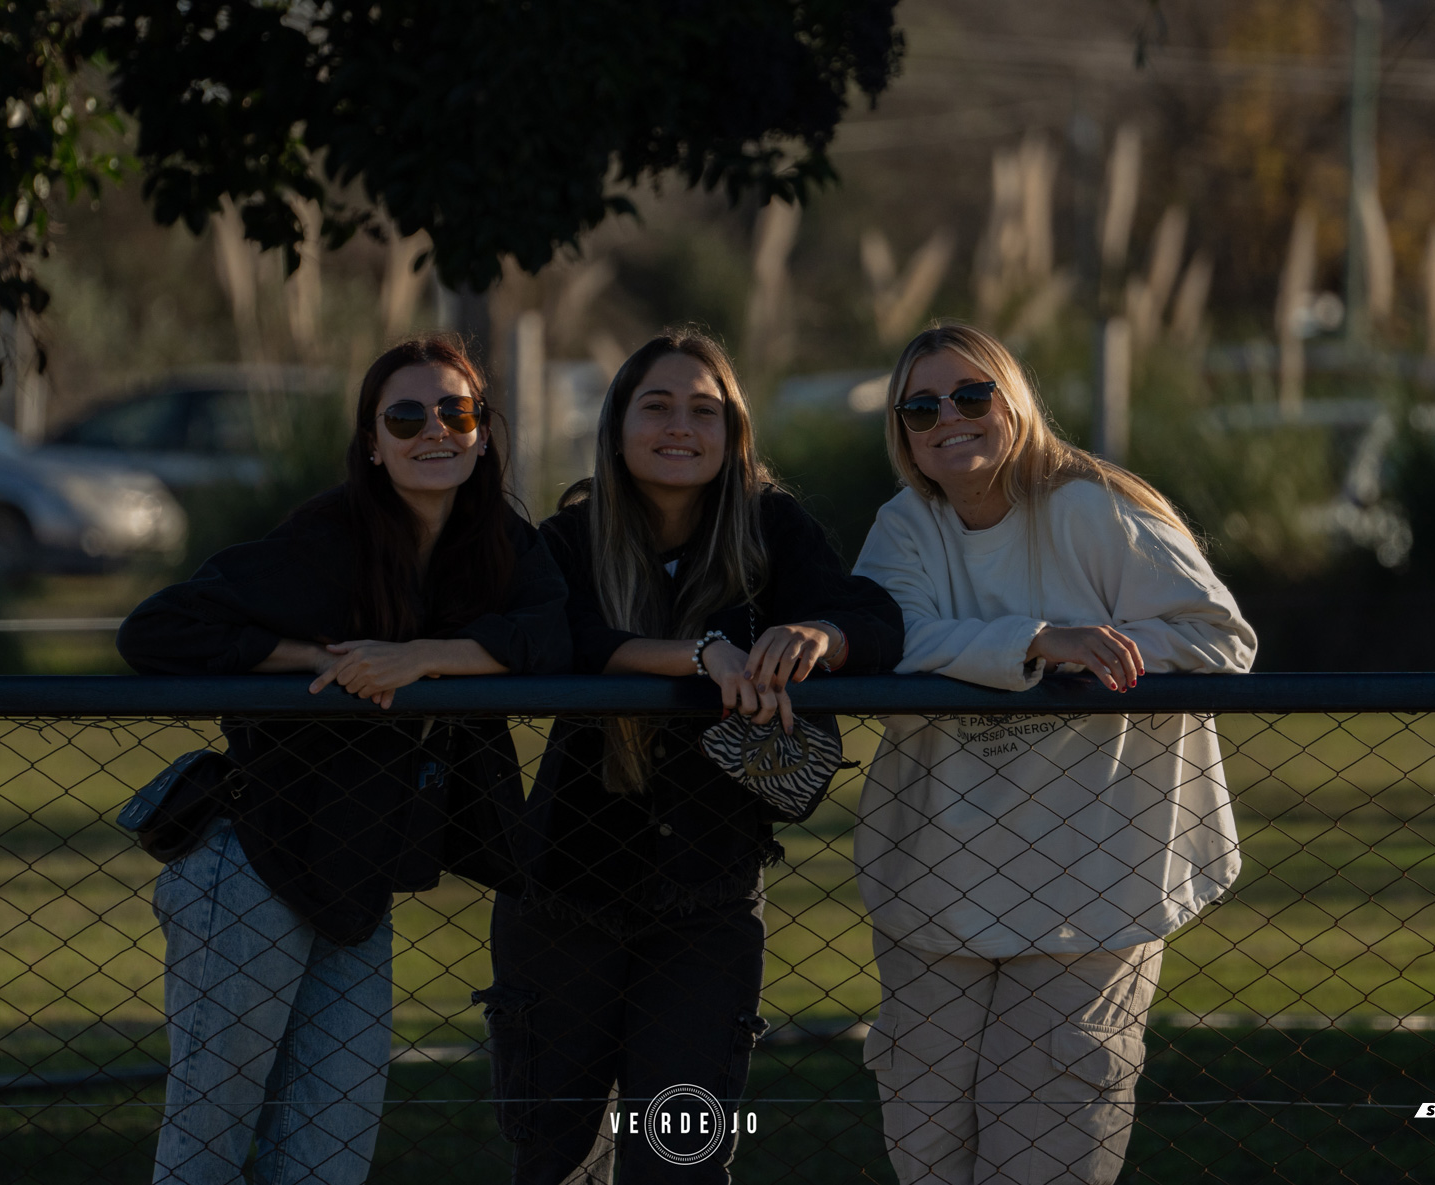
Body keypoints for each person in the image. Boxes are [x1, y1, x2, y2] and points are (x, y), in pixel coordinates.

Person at [117, 336, 569, 1185]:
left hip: (359, 879)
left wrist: (424, 656)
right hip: (251, 864)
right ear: (372, 441)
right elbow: (157, 630)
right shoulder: (327, 538)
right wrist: (312, 655)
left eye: (456, 412)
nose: (434, 430)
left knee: (329, 1158)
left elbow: (556, 636)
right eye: (406, 416)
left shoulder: (496, 540)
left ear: (481, 431)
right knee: (207, 1145)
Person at [477, 330, 904, 1184]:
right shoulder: (569, 537)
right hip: (564, 891)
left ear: (733, 429)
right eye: (658, 405)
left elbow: (876, 620)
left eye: (704, 410)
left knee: (680, 1157)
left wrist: (817, 633)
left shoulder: (769, 528)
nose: (682, 426)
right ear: (619, 424)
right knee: (553, 1158)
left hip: (707, 903)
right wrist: (700, 653)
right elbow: (567, 640)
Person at [851, 322, 1257, 1185]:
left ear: (1016, 399)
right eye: (921, 407)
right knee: (927, 1154)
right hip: (936, 890)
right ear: (902, 431)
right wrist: (1040, 640)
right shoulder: (905, 527)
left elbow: (1218, 636)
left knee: (1042, 1152)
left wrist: (1102, 645)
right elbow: (889, 637)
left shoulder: (1092, 506)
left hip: (1090, 888)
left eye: (972, 395)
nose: (948, 419)